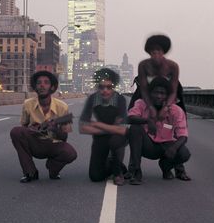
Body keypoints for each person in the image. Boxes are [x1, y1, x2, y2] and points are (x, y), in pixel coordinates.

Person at [125, 34, 187, 179]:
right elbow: (144, 89)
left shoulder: (172, 66)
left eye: (159, 51)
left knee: (178, 124)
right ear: (149, 53)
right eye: (153, 51)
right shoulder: (144, 65)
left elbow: (173, 89)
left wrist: (166, 107)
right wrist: (151, 108)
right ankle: (133, 167)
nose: (156, 54)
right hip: (147, 96)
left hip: (168, 96)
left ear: (164, 52)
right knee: (135, 125)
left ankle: (179, 168)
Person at [10, 70, 77, 183]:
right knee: (16, 132)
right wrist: (33, 129)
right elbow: (23, 128)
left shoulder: (62, 107)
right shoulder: (28, 104)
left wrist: (54, 128)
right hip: (35, 142)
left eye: (46, 82)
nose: (42, 85)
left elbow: (64, 137)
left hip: (53, 144)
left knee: (70, 153)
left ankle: (53, 169)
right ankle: (30, 172)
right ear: (35, 87)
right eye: (39, 83)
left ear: (52, 87)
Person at [127, 77, 191, 185]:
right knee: (135, 129)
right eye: (156, 93)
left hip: (166, 144)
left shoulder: (175, 109)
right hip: (148, 145)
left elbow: (182, 134)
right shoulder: (141, 102)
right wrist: (147, 121)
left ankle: (168, 168)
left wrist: (174, 148)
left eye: (162, 94)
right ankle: (135, 170)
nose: (158, 96)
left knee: (183, 152)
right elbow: (130, 118)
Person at [79, 68, 128, 186]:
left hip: (117, 137)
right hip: (101, 137)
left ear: (113, 87)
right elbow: (83, 127)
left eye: (109, 87)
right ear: (97, 87)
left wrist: (97, 124)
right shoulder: (93, 99)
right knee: (95, 176)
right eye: (101, 87)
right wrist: (111, 128)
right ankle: (112, 163)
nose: (105, 90)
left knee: (116, 140)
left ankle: (118, 173)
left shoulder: (120, 99)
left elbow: (122, 130)